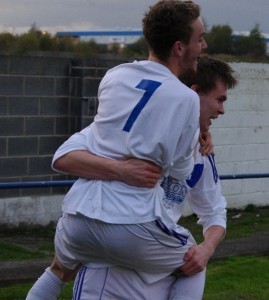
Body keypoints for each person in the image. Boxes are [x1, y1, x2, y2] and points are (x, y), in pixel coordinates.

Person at [26, 1, 208, 299]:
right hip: (131, 227)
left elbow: (106, 134)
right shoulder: (185, 98)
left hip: (76, 220)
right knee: (194, 260)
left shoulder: (115, 76)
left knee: (59, 270)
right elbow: (180, 168)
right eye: (199, 38)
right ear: (179, 47)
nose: (204, 45)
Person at [70, 55, 238, 299]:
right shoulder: (130, 131)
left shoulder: (202, 152)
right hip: (109, 271)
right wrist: (119, 170)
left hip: (159, 271)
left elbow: (215, 211)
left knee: (193, 258)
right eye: (219, 100)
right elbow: (63, 157)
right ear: (193, 95)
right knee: (57, 268)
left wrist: (206, 249)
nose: (222, 110)